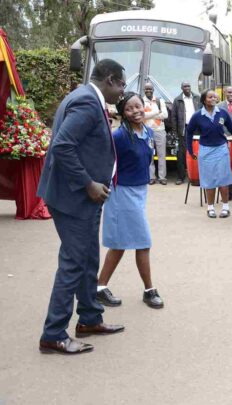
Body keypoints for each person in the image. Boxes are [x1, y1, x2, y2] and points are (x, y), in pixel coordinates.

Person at [37, 59, 126, 355]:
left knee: (88, 258)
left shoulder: (84, 96)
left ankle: (89, 318)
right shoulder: (88, 102)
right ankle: (53, 334)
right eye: (121, 84)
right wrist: (88, 183)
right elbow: (62, 146)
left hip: (80, 198)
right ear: (110, 79)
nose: (122, 91)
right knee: (74, 262)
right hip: (74, 197)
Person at [96, 92, 164, 309]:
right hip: (122, 193)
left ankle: (99, 287)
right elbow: (102, 161)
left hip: (139, 191)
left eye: (138, 106)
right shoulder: (119, 136)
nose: (135, 111)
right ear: (122, 113)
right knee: (143, 242)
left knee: (119, 244)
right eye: (129, 109)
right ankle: (149, 290)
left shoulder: (148, 132)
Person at [187, 89, 232, 218]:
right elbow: (189, 132)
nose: (213, 99)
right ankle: (210, 208)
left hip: (221, 149)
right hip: (205, 150)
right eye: (210, 97)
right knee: (209, 180)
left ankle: (225, 207)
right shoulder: (197, 116)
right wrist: (190, 150)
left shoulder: (222, 113)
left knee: (223, 179)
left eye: (214, 97)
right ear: (204, 100)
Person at [171, 82, 201, 185]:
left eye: (188, 86)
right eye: (185, 86)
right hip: (184, 129)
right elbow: (173, 117)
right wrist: (175, 131)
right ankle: (181, 177)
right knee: (181, 154)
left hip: (196, 128)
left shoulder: (197, 98)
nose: (187, 88)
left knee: (197, 152)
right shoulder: (177, 100)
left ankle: (197, 176)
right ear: (181, 88)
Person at [143, 82, 169, 186]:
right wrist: (156, 113)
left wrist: (149, 115)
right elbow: (142, 115)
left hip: (160, 130)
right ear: (144, 90)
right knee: (150, 155)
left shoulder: (159, 100)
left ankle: (162, 177)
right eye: (146, 89)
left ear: (153, 90)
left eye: (150, 89)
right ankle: (151, 177)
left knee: (162, 154)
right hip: (147, 131)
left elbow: (165, 115)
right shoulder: (141, 101)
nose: (148, 90)